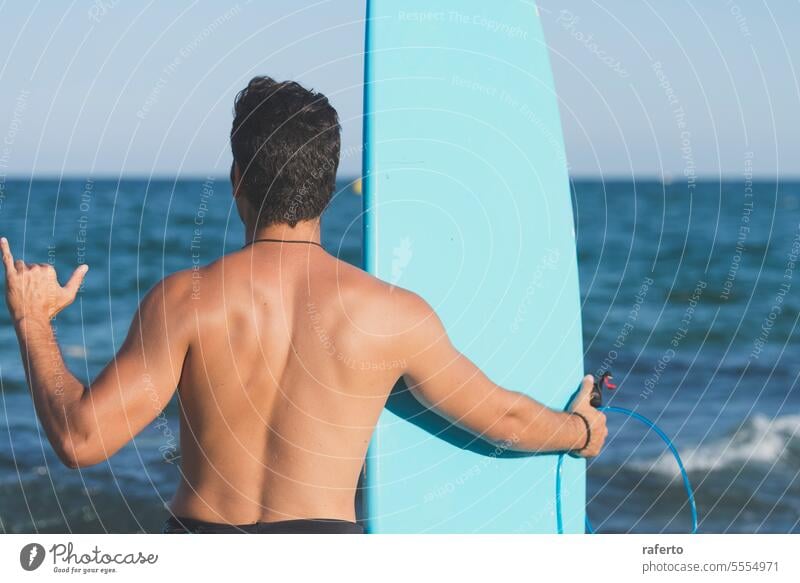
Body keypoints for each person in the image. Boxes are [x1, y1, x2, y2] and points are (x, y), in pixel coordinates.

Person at [1, 76, 607, 534]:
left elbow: (79, 440)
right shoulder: (393, 316)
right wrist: (580, 430)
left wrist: (32, 320)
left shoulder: (185, 302)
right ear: (329, 183)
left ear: (238, 180)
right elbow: (503, 419)